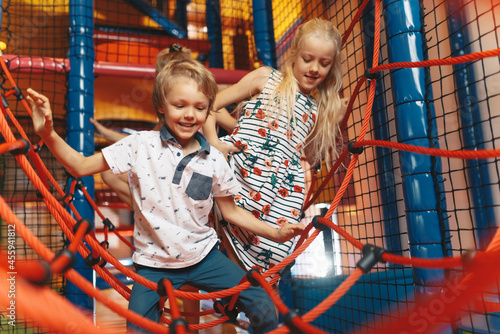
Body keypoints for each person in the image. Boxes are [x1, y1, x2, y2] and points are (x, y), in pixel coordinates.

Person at [27, 58, 305, 333]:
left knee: (265, 304)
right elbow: (80, 165)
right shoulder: (140, 144)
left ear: (209, 110)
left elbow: (231, 212)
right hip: (153, 264)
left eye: (199, 107)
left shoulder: (214, 161)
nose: (189, 115)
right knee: (138, 329)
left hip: (205, 258)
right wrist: (48, 133)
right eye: (179, 105)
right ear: (161, 106)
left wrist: (275, 233)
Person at [203, 18, 348, 276]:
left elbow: (311, 155)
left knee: (273, 250)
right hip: (242, 169)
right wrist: (215, 145)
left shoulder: (319, 109)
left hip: (278, 187)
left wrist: (334, 121)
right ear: (294, 55)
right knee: (225, 217)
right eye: (307, 59)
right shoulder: (266, 78)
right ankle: (237, 294)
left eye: (324, 64)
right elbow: (210, 104)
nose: (314, 68)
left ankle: (249, 298)